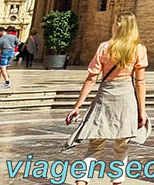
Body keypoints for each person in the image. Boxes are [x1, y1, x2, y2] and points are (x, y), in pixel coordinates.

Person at [64, 12, 149, 185]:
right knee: (122, 145)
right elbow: (140, 82)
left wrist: (77, 106)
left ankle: (82, 180)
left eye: (114, 23)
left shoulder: (104, 47)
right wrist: (142, 111)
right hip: (126, 97)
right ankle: (117, 181)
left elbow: (91, 78)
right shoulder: (138, 49)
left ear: (118, 26)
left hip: (105, 94)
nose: (112, 25)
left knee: (94, 144)